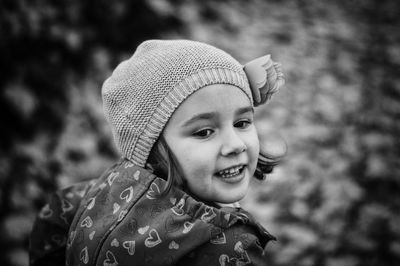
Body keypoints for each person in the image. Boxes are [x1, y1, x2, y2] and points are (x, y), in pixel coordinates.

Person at [29, 39, 285, 265]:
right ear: (150, 148)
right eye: (204, 132)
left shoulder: (98, 195)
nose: (236, 145)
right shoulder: (228, 249)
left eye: (242, 123)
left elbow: (54, 216)